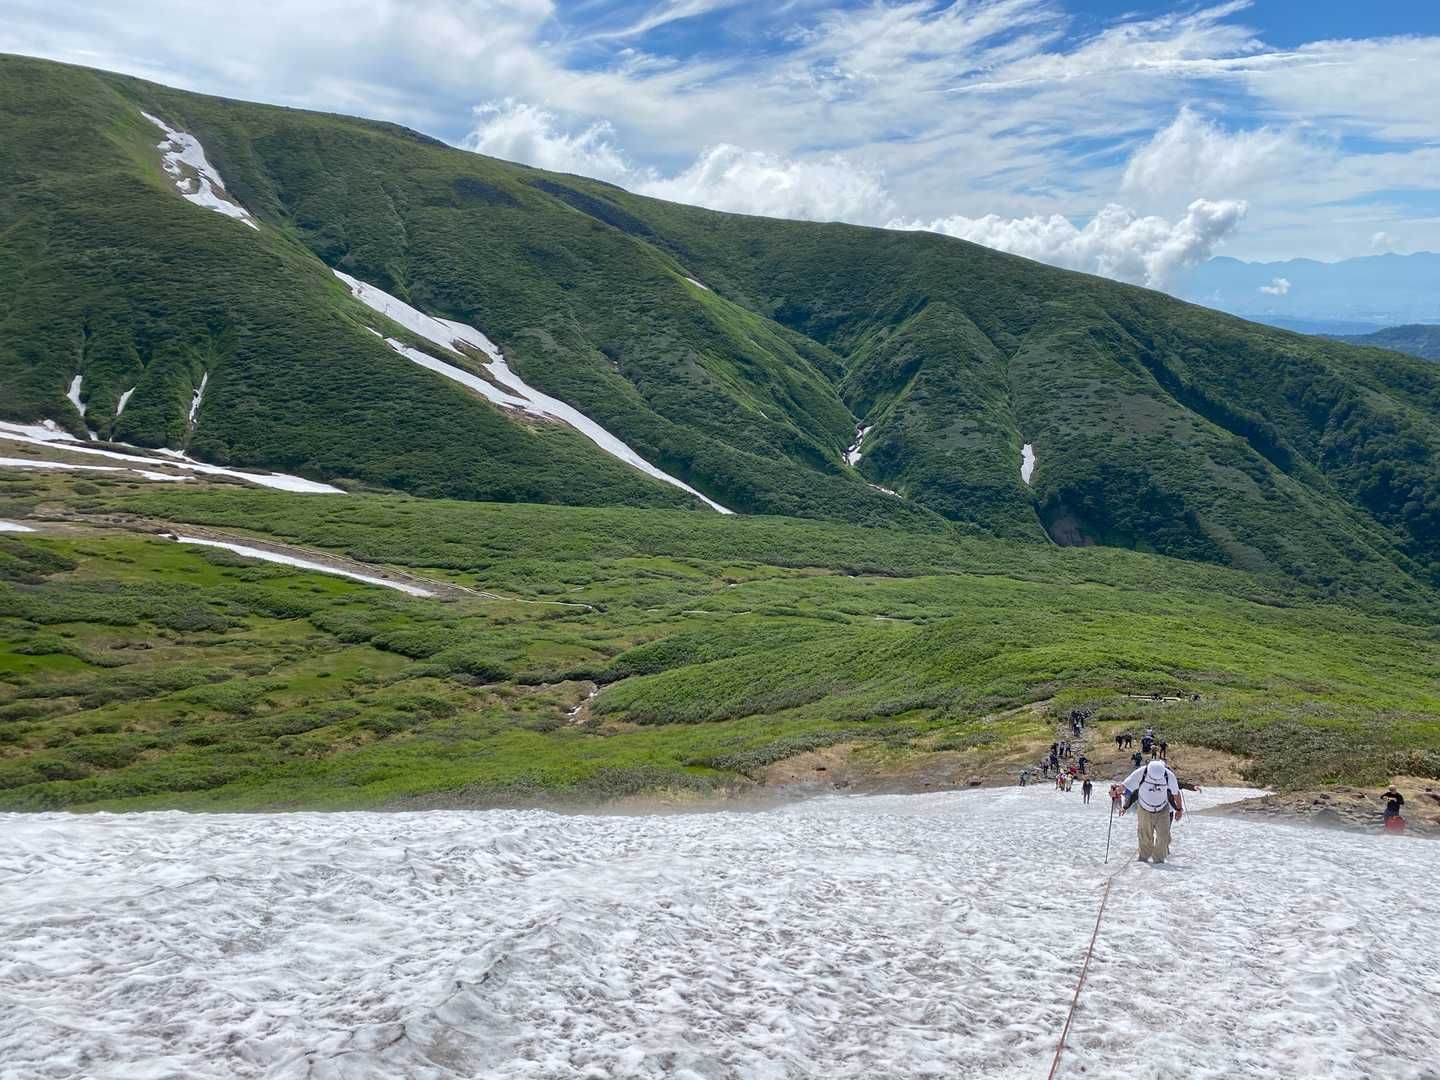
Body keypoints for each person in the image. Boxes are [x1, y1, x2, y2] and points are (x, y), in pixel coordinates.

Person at [1121, 758, 1183, 864]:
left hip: (1163, 809)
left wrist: (1179, 809)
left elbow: (1176, 794)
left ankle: (1159, 859)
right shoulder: (1141, 772)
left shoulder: (1169, 775)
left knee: (1163, 835)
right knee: (1145, 835)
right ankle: (1143, 858)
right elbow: (1126, 786)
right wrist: (1118, 795)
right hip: (1144, 809)